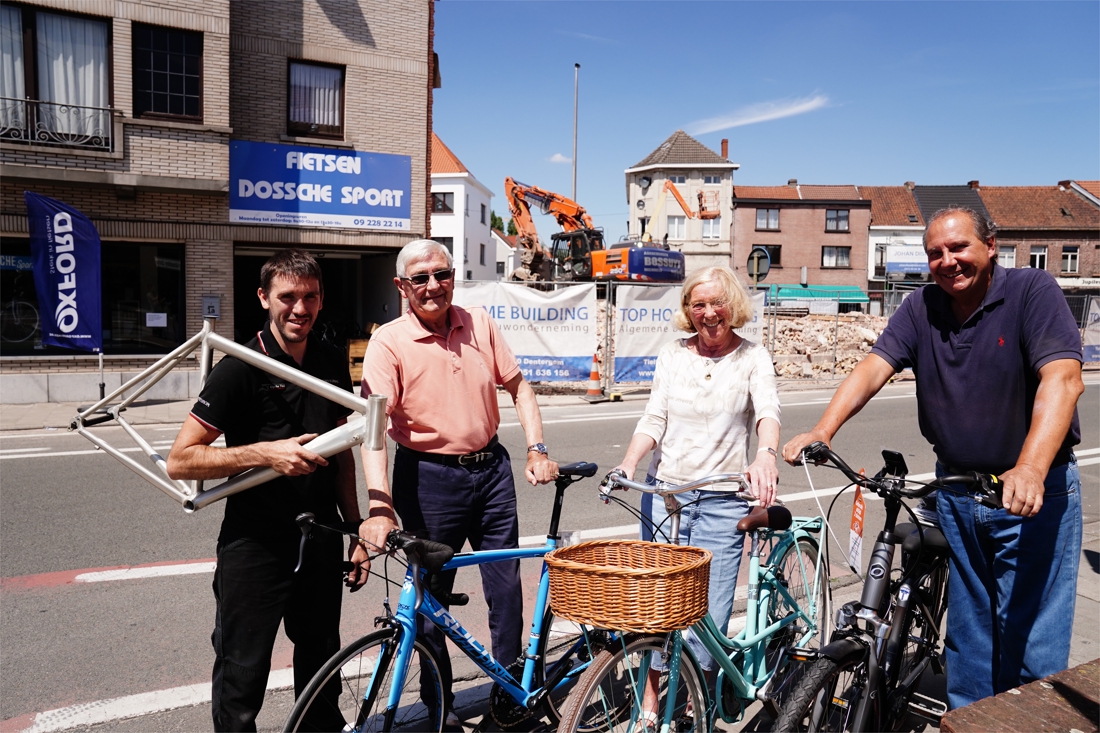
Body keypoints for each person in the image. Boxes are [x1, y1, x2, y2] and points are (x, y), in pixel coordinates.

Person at [782, 206, 1084, 709]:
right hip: (959, 493)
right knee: (970, 639)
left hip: (1031, 493)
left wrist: (1030, 466)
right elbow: (875, 366)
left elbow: (1063, 378)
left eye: (959, 247)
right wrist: (823, 429)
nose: (947, 261)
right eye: (935, 254)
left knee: (1032, 645)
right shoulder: (923, 306)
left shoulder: (1033, 291)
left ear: (992, 244)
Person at [358, 238, 559, 729]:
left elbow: (519, 387)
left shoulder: (480, 324)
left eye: (442, 275)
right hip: (427, 478)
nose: (433, 286)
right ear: (401, 286)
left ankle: (513, 694)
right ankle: (439, 708)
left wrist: (537, 448)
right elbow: (372, 433)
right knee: (427, 603)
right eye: (421, 278)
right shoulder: (388, 342)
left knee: (506, 591)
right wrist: (380, 506)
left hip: (491, 472)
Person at [167, 249, 367, 732]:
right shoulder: (240, 365)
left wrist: (354, 527)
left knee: (321, 667)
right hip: (255, 543)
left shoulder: (326, 357)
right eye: (288, 297)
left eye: (310, 297)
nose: (300, 309)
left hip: (320, 536)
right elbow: (181, 459)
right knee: (242, 672)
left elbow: (340, 451)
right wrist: (265, 453)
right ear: (263, 298)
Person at [611, 266, 781, 730]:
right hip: (666, 496)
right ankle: (649, 702)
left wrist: (764, 457)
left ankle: (693, 706)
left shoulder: (753, 357)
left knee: (708, 615)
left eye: (717, 303)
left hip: (724, 499)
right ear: (688, 310)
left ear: (734, 306)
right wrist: (627, 465)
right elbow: (654, 418)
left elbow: (767, 413)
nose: (708, 313)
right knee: (652, 607)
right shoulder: (673, 355)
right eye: (697, 304)